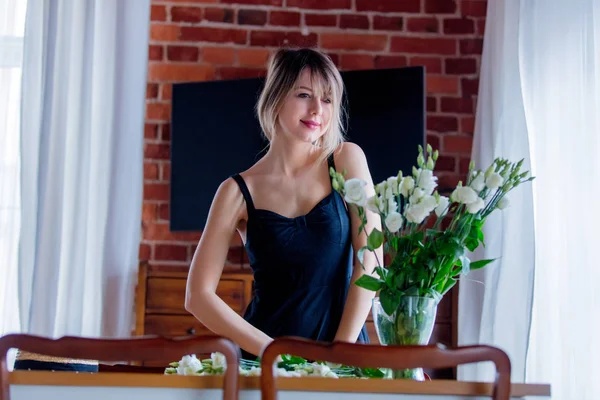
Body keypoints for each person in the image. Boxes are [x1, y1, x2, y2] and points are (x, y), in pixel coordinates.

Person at [185, 48, 382, 360]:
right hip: (265, 362)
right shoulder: (235, 191)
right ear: (275, 98)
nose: (318, 109)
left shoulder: (345, 159)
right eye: (304, 94)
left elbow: (370, 260)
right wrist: (276, 353)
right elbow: (197, 296)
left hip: (342, 358)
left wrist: (337, 354)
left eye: (328, 99)